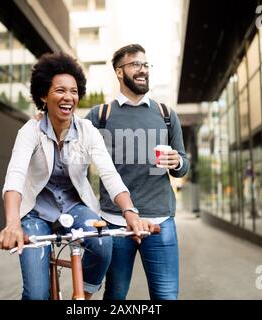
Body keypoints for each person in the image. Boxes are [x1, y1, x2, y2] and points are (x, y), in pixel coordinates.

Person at [0, 52, 153, 300]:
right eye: (60, 90)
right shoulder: (30, 131)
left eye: (74, 91)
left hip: (74, 207)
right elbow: (14, 176)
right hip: (35, 212)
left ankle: (82, 298)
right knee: (36, 294)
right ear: (43, 96)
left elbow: (109, 174)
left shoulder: (87, 131)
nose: (69, 97)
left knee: (103, 245)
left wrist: (130, 212)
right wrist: (13, 223)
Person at [85, 44, 189, 300]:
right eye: (135, 65)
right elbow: (71, 155)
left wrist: (177, 162)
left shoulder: (166, 115)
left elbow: (183, 165)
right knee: (116, 295)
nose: (143, 70)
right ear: (119, 72)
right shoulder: (100, 116)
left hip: (160, 222)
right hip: (115, 222)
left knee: (166, 297)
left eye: (145, 65)